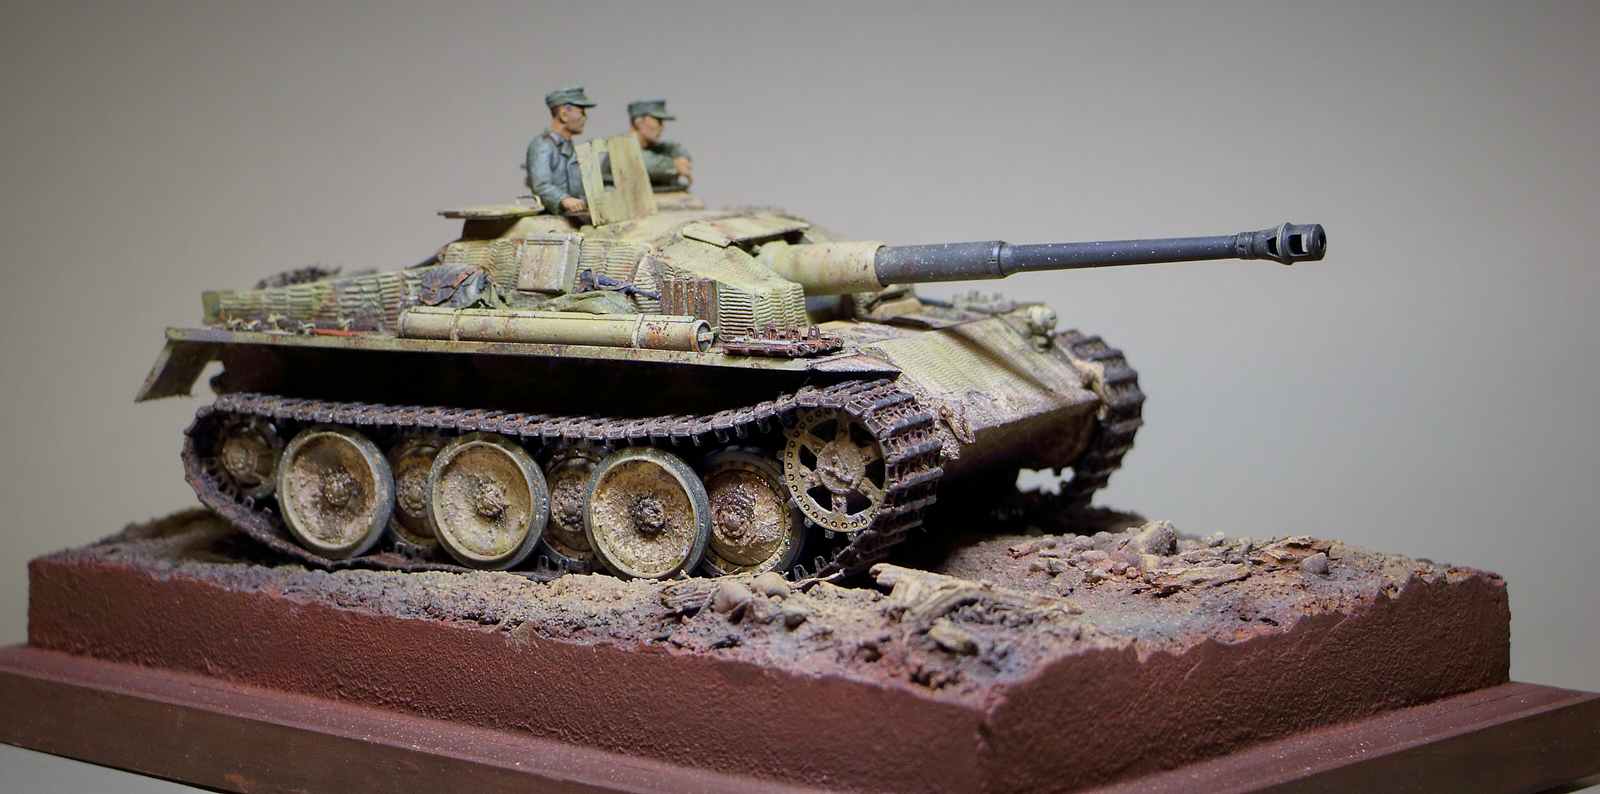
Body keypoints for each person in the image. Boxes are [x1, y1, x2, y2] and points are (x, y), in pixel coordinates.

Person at [527, 85, 596, 214]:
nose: (585, 118)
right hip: (555, 215)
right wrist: (563, 199)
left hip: (576, 214)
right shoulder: (542, 145)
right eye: (581, 112)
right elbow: (541, 185)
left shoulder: (568, 145)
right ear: (564, 115)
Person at [626, 98, 692, 189]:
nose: (662, 128)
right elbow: (643, 162)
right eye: (658, 121)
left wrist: (682, 159)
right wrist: (675, 166)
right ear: (639, 122)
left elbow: (673, 147)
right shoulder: (621, 149)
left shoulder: (655, 149)